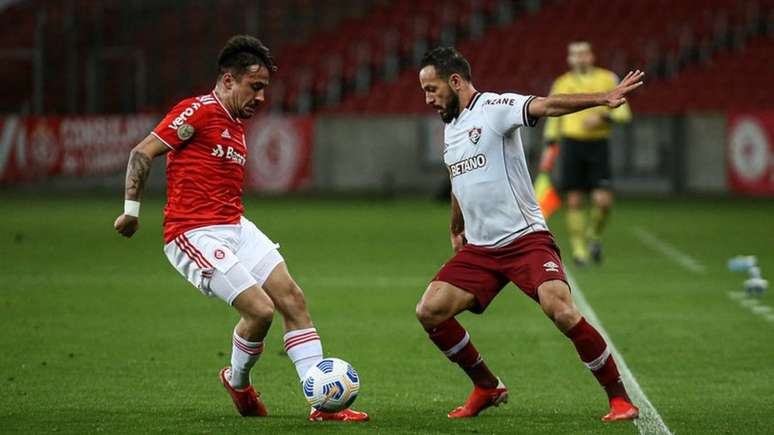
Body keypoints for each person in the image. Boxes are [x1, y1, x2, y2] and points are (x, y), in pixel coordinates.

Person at [113, 35, 368, 422]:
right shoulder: (197, 111)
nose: (262, 97)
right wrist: (131, 210)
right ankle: (238, 381)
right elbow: (140, 152)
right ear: (228, 81)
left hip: (235, 225)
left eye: (265, 88)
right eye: (256, 87)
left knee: (293, 300)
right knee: (261, 311)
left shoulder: (235, 123)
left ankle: (323, 406)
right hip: (192, 232)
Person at [416, 46, 642, 421]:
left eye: (432, 89)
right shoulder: (451, 128)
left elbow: (548, 106)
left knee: (561, 310)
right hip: (481, 249)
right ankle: (487, 386)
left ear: (455, 81)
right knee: (430, 311)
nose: (428, 99)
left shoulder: (494, 108)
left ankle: (619, 398)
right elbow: (460, 181)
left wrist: (603, 98)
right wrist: (457, 227)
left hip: (525, 240)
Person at [543, 41, 633, 266]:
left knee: (603, 202)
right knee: (574, 201)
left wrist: (603, 117)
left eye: (584, 53)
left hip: (598, 145)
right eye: (575, 54)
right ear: (569, 59)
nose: (580, 58)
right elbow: (553, 114)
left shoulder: (607, 78)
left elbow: (624, 115)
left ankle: (593, 235)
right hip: (572, 144)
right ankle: (579, 251)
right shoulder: (562, 82)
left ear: (592, 56)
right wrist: (550, 144)